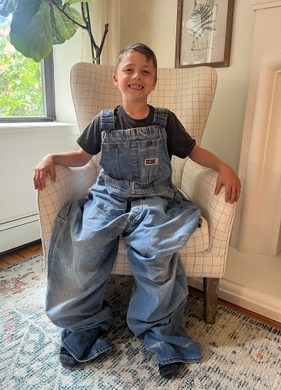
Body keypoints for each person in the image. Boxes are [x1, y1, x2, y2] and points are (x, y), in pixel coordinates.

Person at [33, 43, 241, 380]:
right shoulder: (103, 121)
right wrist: (51, 158)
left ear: (154, 82)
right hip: (108, 198)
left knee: (156, 255)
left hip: (154, 200)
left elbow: (194, 152)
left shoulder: (165, 122)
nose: (137, 76)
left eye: (145, 71)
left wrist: (224, 166)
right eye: (129, 69)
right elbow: (81, 158)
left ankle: (161, 335)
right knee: (82, 246)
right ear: (116, 78)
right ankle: (85, 329)